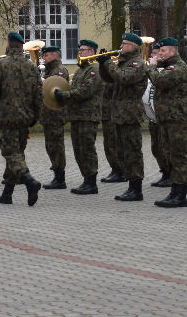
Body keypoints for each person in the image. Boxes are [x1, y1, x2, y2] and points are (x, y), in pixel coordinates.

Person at [0, 32, 43, 206]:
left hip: (7, 116)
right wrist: (36, 115)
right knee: (17, 152)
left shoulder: (1, 66)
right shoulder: (31, 67)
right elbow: (38, 94)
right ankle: (7, 194)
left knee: (10, 153)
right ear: (22, 47)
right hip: (25, 116)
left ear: (9, 46)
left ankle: (29, 180)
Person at [99, 33, 148, 201]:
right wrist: (102, 65)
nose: (121, 46)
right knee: (122, 151)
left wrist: (108, 63)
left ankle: (136, 189)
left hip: (130, 113)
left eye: (124, 43)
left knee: (132, 151)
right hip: (119, 113)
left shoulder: (138, 64)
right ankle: (130, 186)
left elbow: (123, 78)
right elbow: (110, 79)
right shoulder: (123, 62)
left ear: (133, 46)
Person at [54, 39, 103, 194]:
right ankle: (86, 179)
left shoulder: (95, 68)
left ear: (92, 52)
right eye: (80, 50)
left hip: (88, 115)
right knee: (78, 149)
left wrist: (64, 95)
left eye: (83, 50)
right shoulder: (82, 69)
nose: (80, 53)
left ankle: (91, 182)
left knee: (87, 149)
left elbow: (85, 91)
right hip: (76, 115)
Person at [146, 37, 187, 207]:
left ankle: (180, 195)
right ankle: (174, 191)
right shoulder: (167, 67)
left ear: (173, 51)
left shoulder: (178, 68)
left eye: (163, 51)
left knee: (178, 156)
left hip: (177, 119)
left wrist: (151, 66)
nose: (159, 54)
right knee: (170, 156)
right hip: (167, 119)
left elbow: (160, 81)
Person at [39, 45, 69, 189]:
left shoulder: (60, 71)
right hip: (47, 114)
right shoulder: (49, 71)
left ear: (54, 56)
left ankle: (60, 178)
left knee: (56, 146)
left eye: (46, 56)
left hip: (55, 114)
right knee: (50, 146)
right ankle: (57, 175)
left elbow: (58, 89)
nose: (43, 58)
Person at [145, 43, 171, 187]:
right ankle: (164, 172)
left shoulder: (168, 70)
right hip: (153, 115)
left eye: (157, 53)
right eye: (153, 53)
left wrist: (152, 67)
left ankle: (171, 175)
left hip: (166, 115)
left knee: (166, 147)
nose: (154, 56)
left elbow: (159, 83)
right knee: (156, 148)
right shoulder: (151, 69)